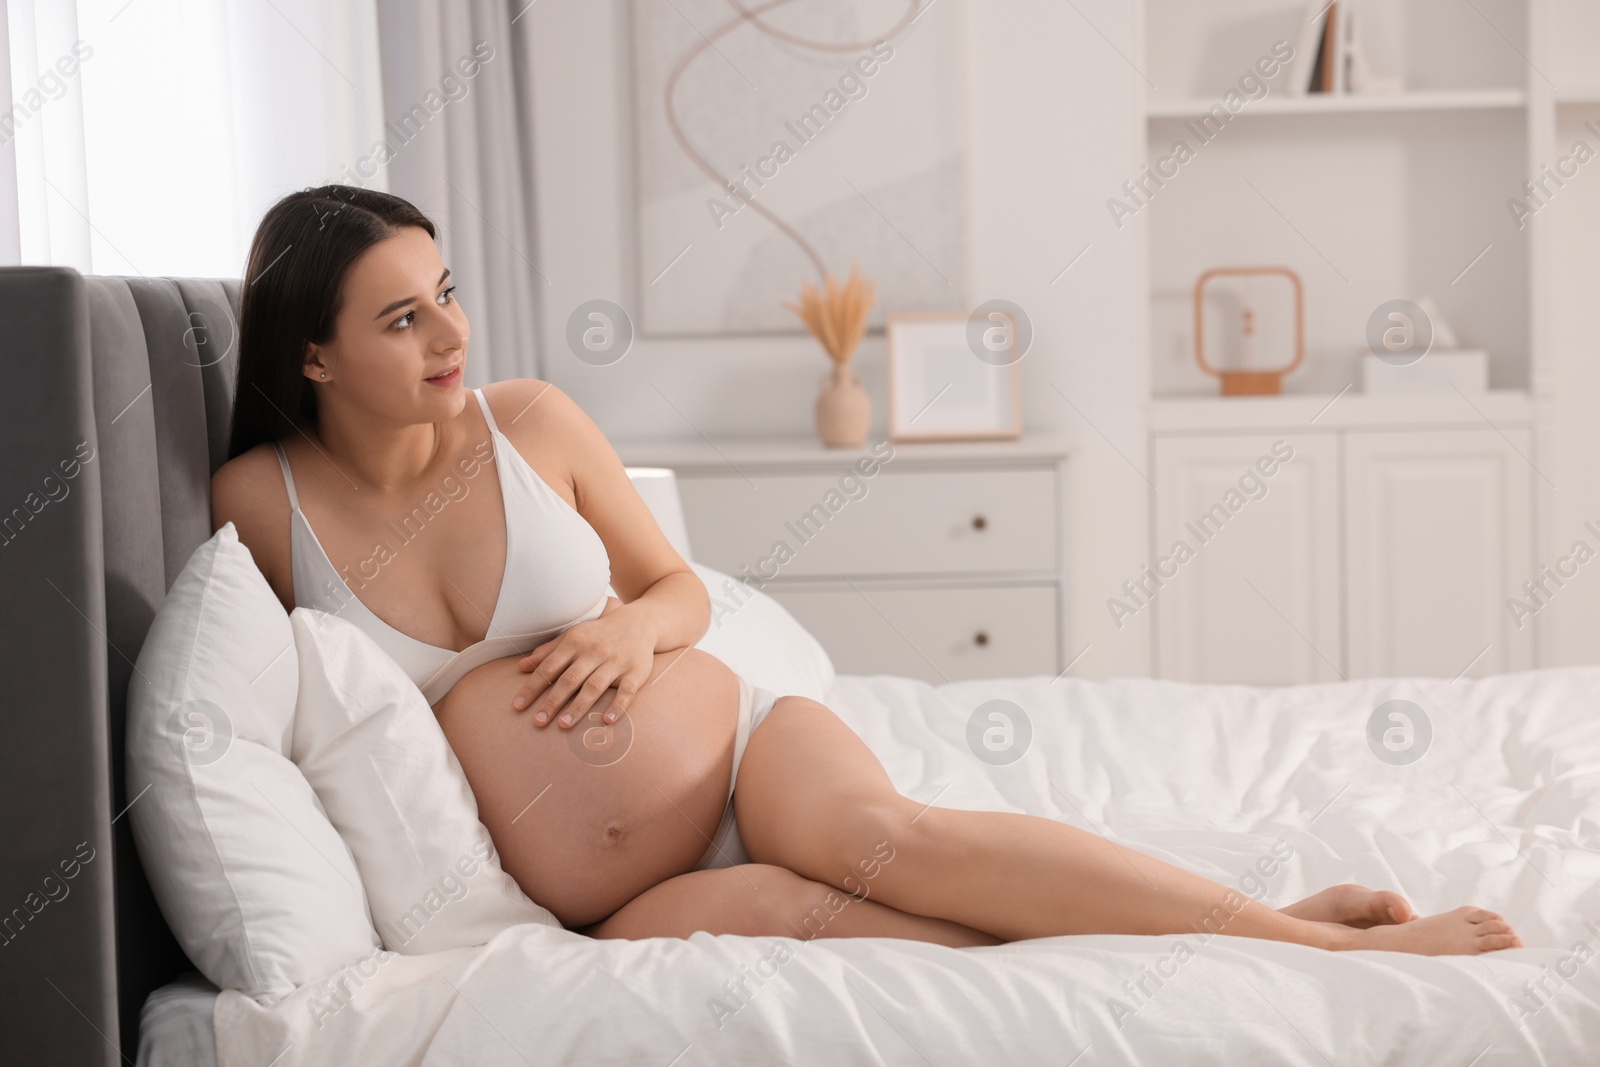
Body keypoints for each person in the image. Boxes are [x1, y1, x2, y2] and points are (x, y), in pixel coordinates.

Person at [212, 185, 1521, 955]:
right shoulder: (261, 508)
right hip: (615, 900)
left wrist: (634, 637)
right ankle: (1222, 949)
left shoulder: (534, 423)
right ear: (313, 357)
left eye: (446, 291)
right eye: (403, 317)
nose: (453, 332)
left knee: (887, 840)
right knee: (826, 917)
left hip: (737, 753)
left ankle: (1296, 941)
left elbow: (676, 591)